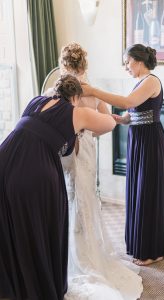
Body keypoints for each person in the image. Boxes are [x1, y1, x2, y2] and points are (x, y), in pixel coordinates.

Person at [0, 74, 116, 300]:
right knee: (40, 225)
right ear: (75, 97)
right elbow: (109, 123)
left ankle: (11, 284)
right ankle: (37, 285)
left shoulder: (36, 100)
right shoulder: (77, 112)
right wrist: (97, 96)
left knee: (10, 223)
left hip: (4, 160)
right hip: (34, 171)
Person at [48, 43, 143, 300]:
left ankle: (71, 254)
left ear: (64, 63)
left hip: (64, 149)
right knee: (86, 197)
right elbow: (105, 122)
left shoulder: (55, 89)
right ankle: (89, 251)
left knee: (69, 197)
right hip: (86, 146)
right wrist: (92, 130)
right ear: (84, 64)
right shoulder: (90, 89)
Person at [82, 43, 164, 266]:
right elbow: (134, 111)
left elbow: (127, 102)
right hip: (139, 139)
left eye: (127, 62)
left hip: (150, 142)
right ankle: (143, 245)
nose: (126, 67)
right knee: (140, 190)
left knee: (147, 192)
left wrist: (93, 91)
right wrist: (122, 119)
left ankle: (153, 251)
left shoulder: (151, 80)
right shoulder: (140, 82)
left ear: (139, 61)